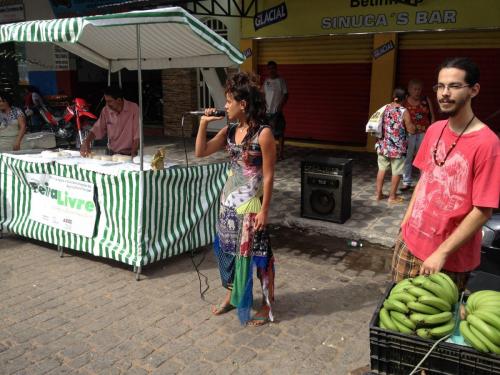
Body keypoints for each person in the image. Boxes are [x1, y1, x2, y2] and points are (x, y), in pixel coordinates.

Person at [391, 57, 500, 290]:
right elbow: (425, 180)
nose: (444, 93)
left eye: (454, 86)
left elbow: (482, 211)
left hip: (448, 258)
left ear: (474, 90)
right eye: (440, 86)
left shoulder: (488, 144)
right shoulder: (434, 129)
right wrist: (406, 222)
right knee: (397, 312)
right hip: (409, 243)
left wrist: (442, 252)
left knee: (431, 322)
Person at [195, 72, 276, 326]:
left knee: (259, 256)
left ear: (243, 104)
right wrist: (203, 124)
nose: (226, 105)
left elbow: (270, 176)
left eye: (230, 101)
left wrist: (264, 210)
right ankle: (232, 296)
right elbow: (200, 152)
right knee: (228, 253)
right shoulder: (230, 132)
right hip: (228, 206)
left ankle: (266, 304)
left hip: (252, 207)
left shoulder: (263, 134)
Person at [375, 87, 415, 204]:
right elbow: (410, 129)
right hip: (398, 148)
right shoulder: (404, 111)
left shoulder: (385, 108)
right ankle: (392, 197)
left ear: (394, 96)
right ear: (405, 98)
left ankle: (378, 194)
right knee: (396, 172)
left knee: (381, 169)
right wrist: (413, 127)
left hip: (383, 146)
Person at [80, 86, 139, 157]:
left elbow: (137, 134)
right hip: (112, 153)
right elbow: (97, 128)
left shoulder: (133, 108)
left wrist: (133, 153)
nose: (107, 104)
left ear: (119, 100)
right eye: (106, 101)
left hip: (129, 153)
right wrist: (87, 141)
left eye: (109, 101)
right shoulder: (105, 110)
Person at [401, 79, 435, 191]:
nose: (417, 91)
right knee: (407, 158)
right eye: (415, 89)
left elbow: (432, 116)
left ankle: (423, 182)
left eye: (419, 89)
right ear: (409, 90)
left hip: (424, 133)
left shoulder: (425, 100)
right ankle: (406, 182)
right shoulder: (404, 102)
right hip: (409, 134)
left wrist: (433, 131)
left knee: (424, 158)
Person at [263, 60, 288, 161]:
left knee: (280, 133)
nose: (271, 70)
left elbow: (286, 95)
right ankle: (271, 154)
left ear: (276, 69)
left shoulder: (281, 81)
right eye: (269, 69)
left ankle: (281, 153)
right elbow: (263, 94)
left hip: (277, 112)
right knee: (269, 134)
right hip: (267, 112)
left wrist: (280, 106)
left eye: (273, 68)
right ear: (267, 70)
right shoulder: (266, 82)